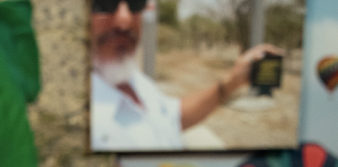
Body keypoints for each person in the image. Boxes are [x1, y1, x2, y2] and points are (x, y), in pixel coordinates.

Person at [90, 0, 281, 151]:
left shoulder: (132, 78)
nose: (125, 19)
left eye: (135, 3)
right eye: (104, 3)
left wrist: (232, 81)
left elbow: (174, 117)